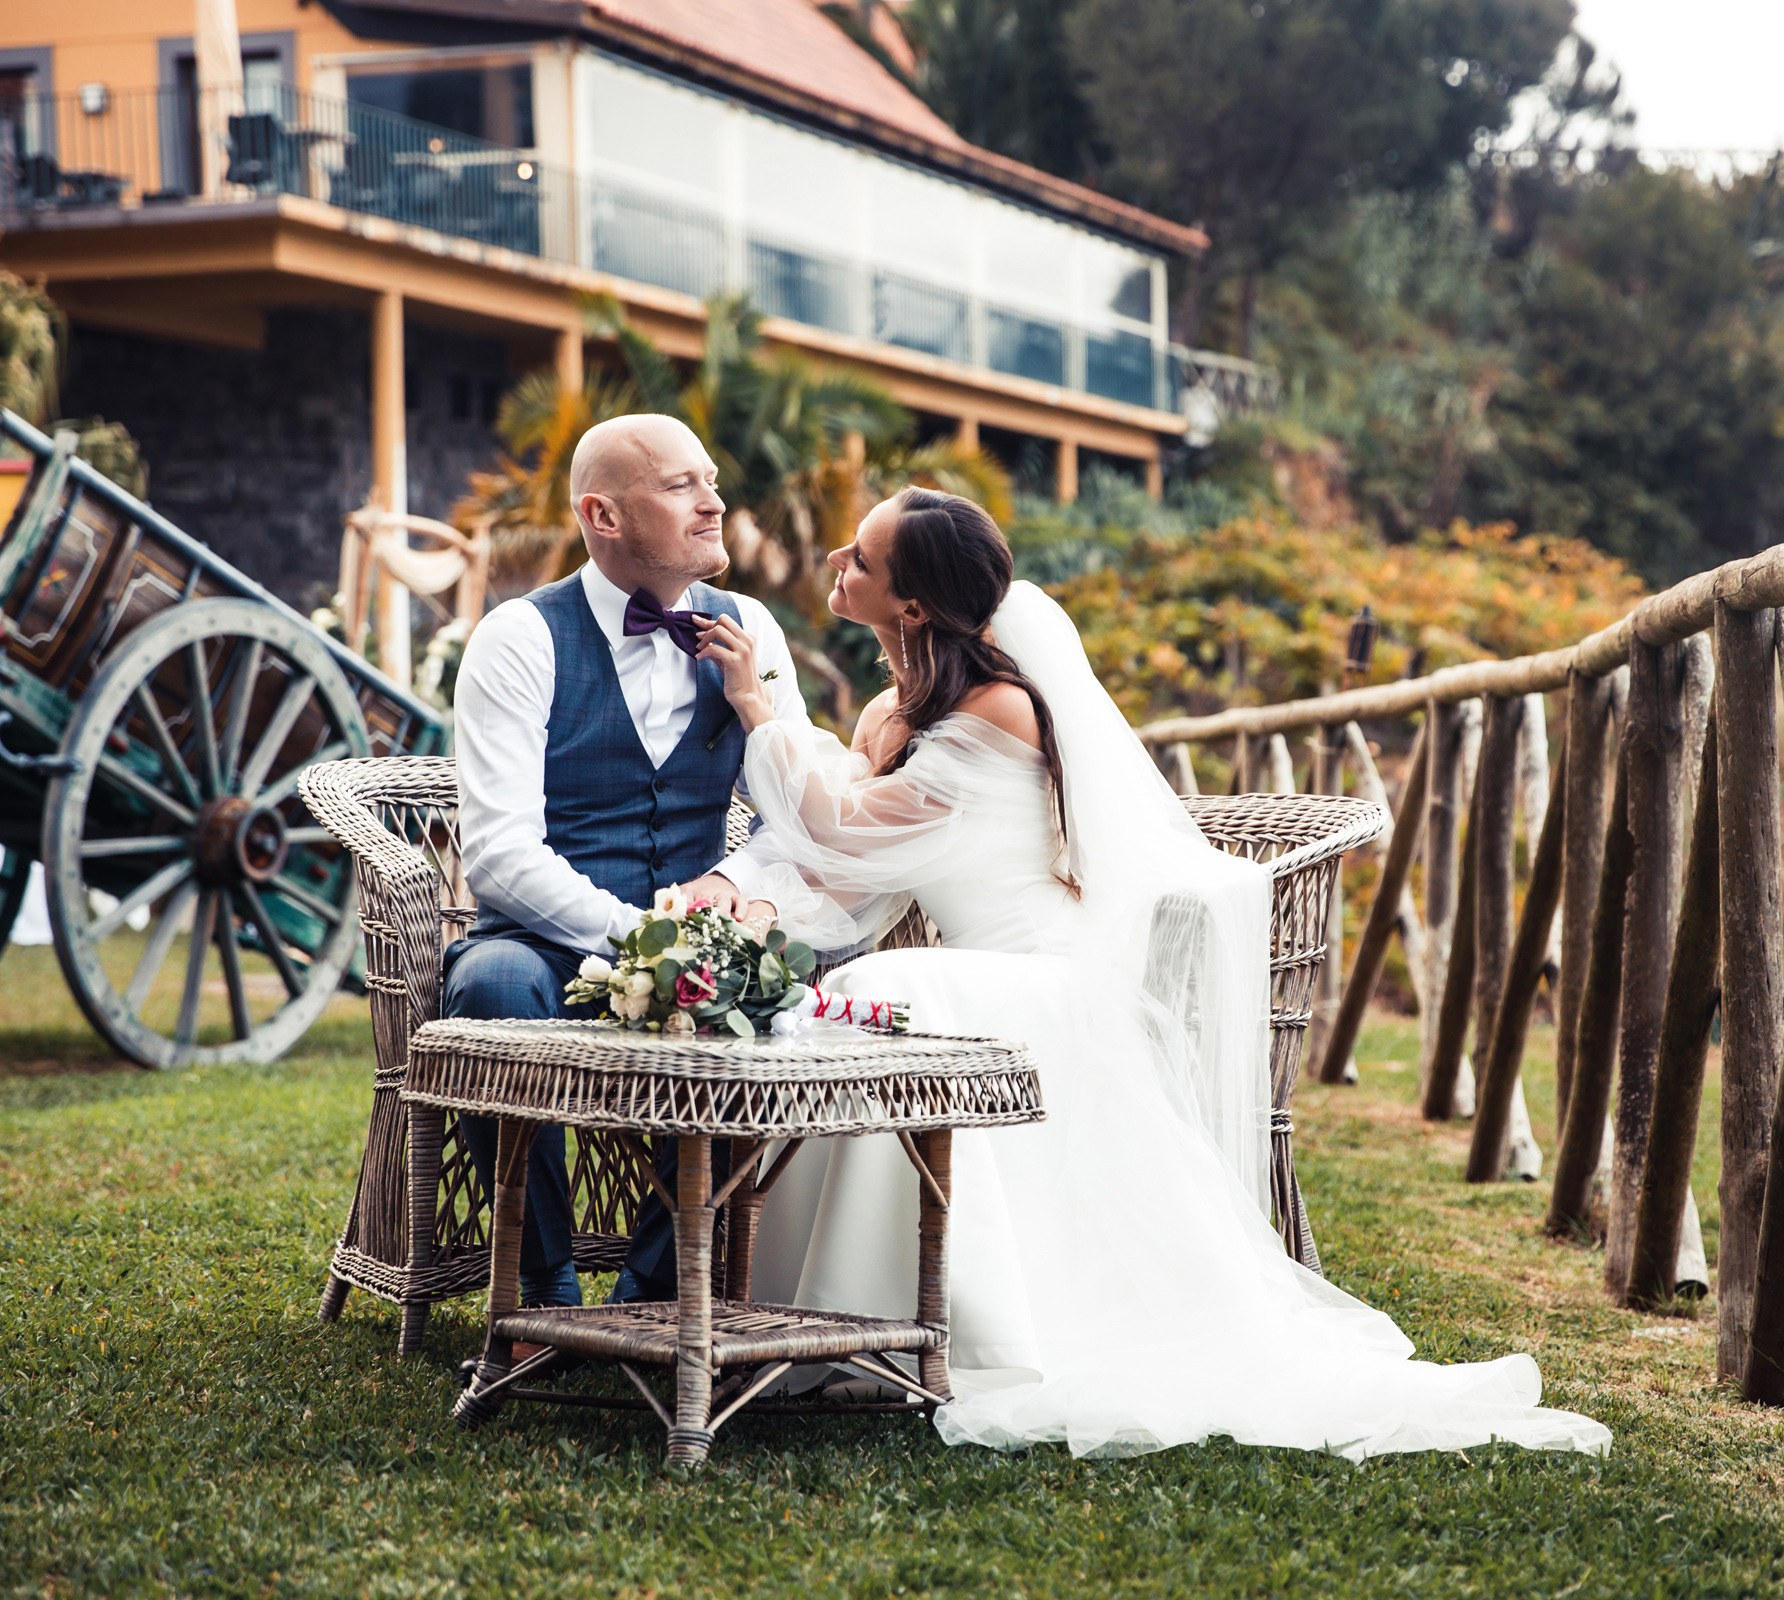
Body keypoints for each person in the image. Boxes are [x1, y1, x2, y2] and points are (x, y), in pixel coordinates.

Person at [703, 487, 1613, 1460]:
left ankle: (917, 1324)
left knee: (903, 994)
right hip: (988, 966)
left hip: (1045, 973)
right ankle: (818, 1311)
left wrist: (760, 707)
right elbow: (857, 859)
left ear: (914, 605)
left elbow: (842, 827)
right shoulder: (898, 707)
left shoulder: (999, 707)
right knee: (875, 995)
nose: (838, 556)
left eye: (863, 555)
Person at [446, 413, 802, 1309]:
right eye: (682, 485)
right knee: (488, 988)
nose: (715, 503)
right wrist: (638, 937)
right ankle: (541, 1288)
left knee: (783, 999)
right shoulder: (518, 638)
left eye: (712, 479)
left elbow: (793, 817)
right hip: (546, 942)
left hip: (702, 936)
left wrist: (731, 885)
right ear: (603, 516)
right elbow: (497, 855)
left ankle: (651, 1290)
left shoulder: (750, 629)